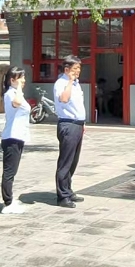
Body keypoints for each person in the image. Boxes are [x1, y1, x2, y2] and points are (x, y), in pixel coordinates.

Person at [53, 56, 86, 209]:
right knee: (65, 161)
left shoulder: (76, 84)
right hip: (68, 124)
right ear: (66, 70)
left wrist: (82, 124)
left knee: (73, 161)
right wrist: (70, 81)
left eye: (79, 68)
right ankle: (62, 196)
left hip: (77, 124)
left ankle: (68, 189)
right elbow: (64, 99)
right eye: (75, 68)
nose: (78, 71)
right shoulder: (61, 83)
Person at [0, 66, 30, 214]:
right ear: (12, 80)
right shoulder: (10, 94)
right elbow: (16, 103)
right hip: (11, 137)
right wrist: (18, 87)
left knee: (13, 170)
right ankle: (8, 202)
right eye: (20, 78)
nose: (24, 80)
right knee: (9, 171)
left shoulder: (17, 93)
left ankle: (10, 198)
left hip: (18, 136)